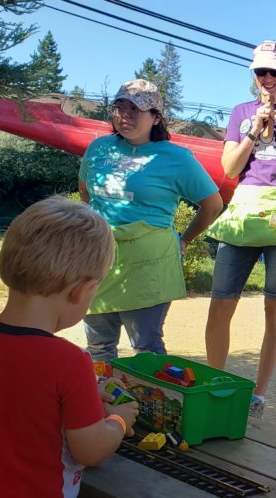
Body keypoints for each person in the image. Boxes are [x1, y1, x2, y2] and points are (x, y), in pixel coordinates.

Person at [0, 197, 139, 497]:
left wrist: (86, 397)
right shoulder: (70, 361)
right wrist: (119, 420)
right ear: (80, 291)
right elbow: (90, 451)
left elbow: (15, 399)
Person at [204, 40, 276, 417]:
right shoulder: (240, 112)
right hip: (244, 212)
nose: (267, 78)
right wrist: (255, 129)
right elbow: (230, 170)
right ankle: (213, 380)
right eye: (260, 72)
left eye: (274, 71)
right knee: (220, 302)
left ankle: (259, 392)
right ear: (253, 74)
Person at [78, 79, 222, 361]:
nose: (124, 115)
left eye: (136, 108)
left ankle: (148, 407)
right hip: (98, 258)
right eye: (120, 107)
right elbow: (86, 193)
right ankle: (103, 406)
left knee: (146, 350)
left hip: (149, 265)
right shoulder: (98, 149)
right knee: (98, 348)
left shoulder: (177, 157)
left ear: (156, 117)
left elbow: (212, 204)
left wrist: (185, 240)